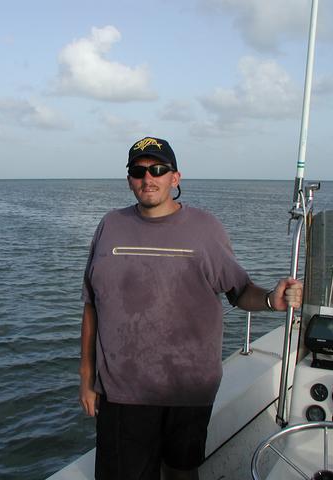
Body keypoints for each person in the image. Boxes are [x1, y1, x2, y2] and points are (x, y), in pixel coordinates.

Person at [79, 137, 303, 480]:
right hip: (123, 390)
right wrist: (86, 379)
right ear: (129, 179)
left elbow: (239, 291)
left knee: (181, 471)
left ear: (175, 177)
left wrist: (273, 299)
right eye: (138, 171)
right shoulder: (110, 226)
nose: (148, 178)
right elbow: (92, 306)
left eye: (158, 169)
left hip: (189, 389)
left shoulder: (205, 228)